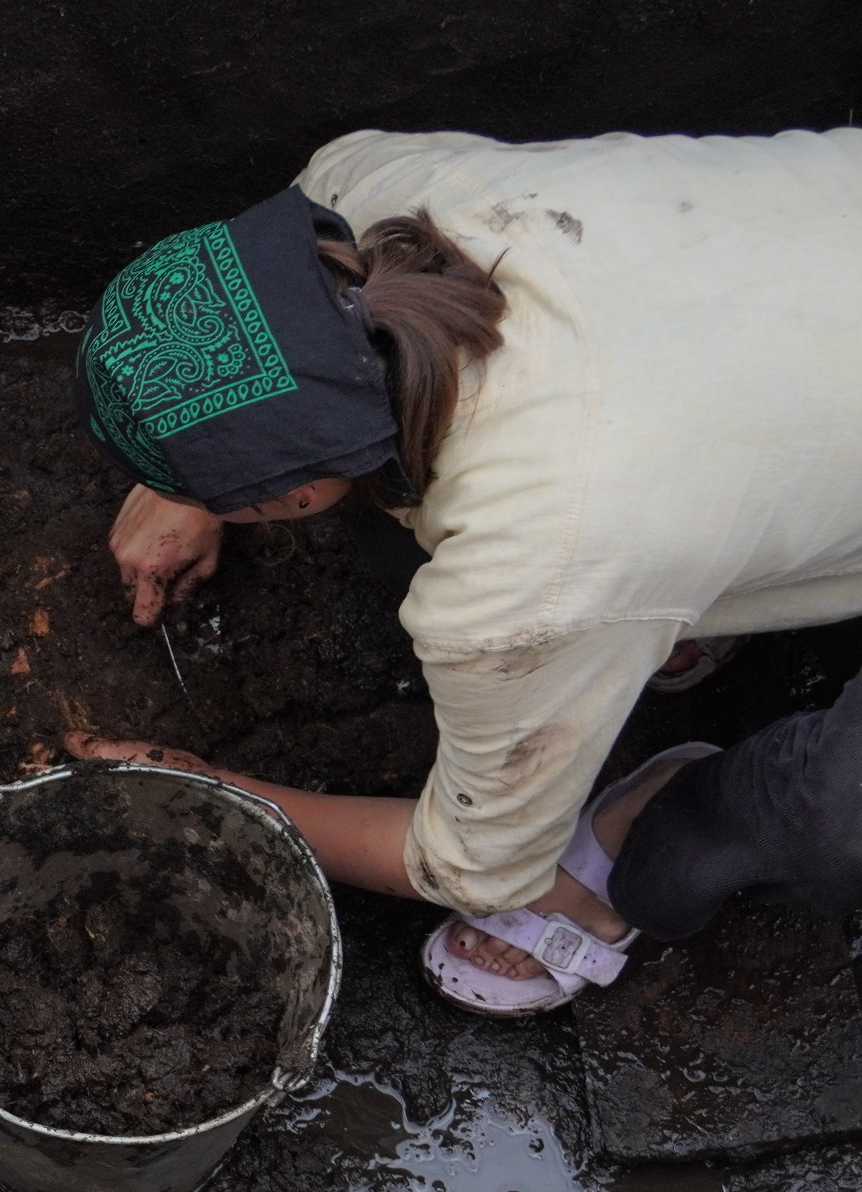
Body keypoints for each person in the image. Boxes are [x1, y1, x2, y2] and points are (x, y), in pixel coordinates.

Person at [66, 128, 862, 1016]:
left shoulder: (531, 563)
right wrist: (200, 477)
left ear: (291, 493)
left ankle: (664, 822)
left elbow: (471, 866)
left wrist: (204, 788)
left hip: (623, 500)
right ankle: (666, 607)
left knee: (827, 821)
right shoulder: (364, 184)